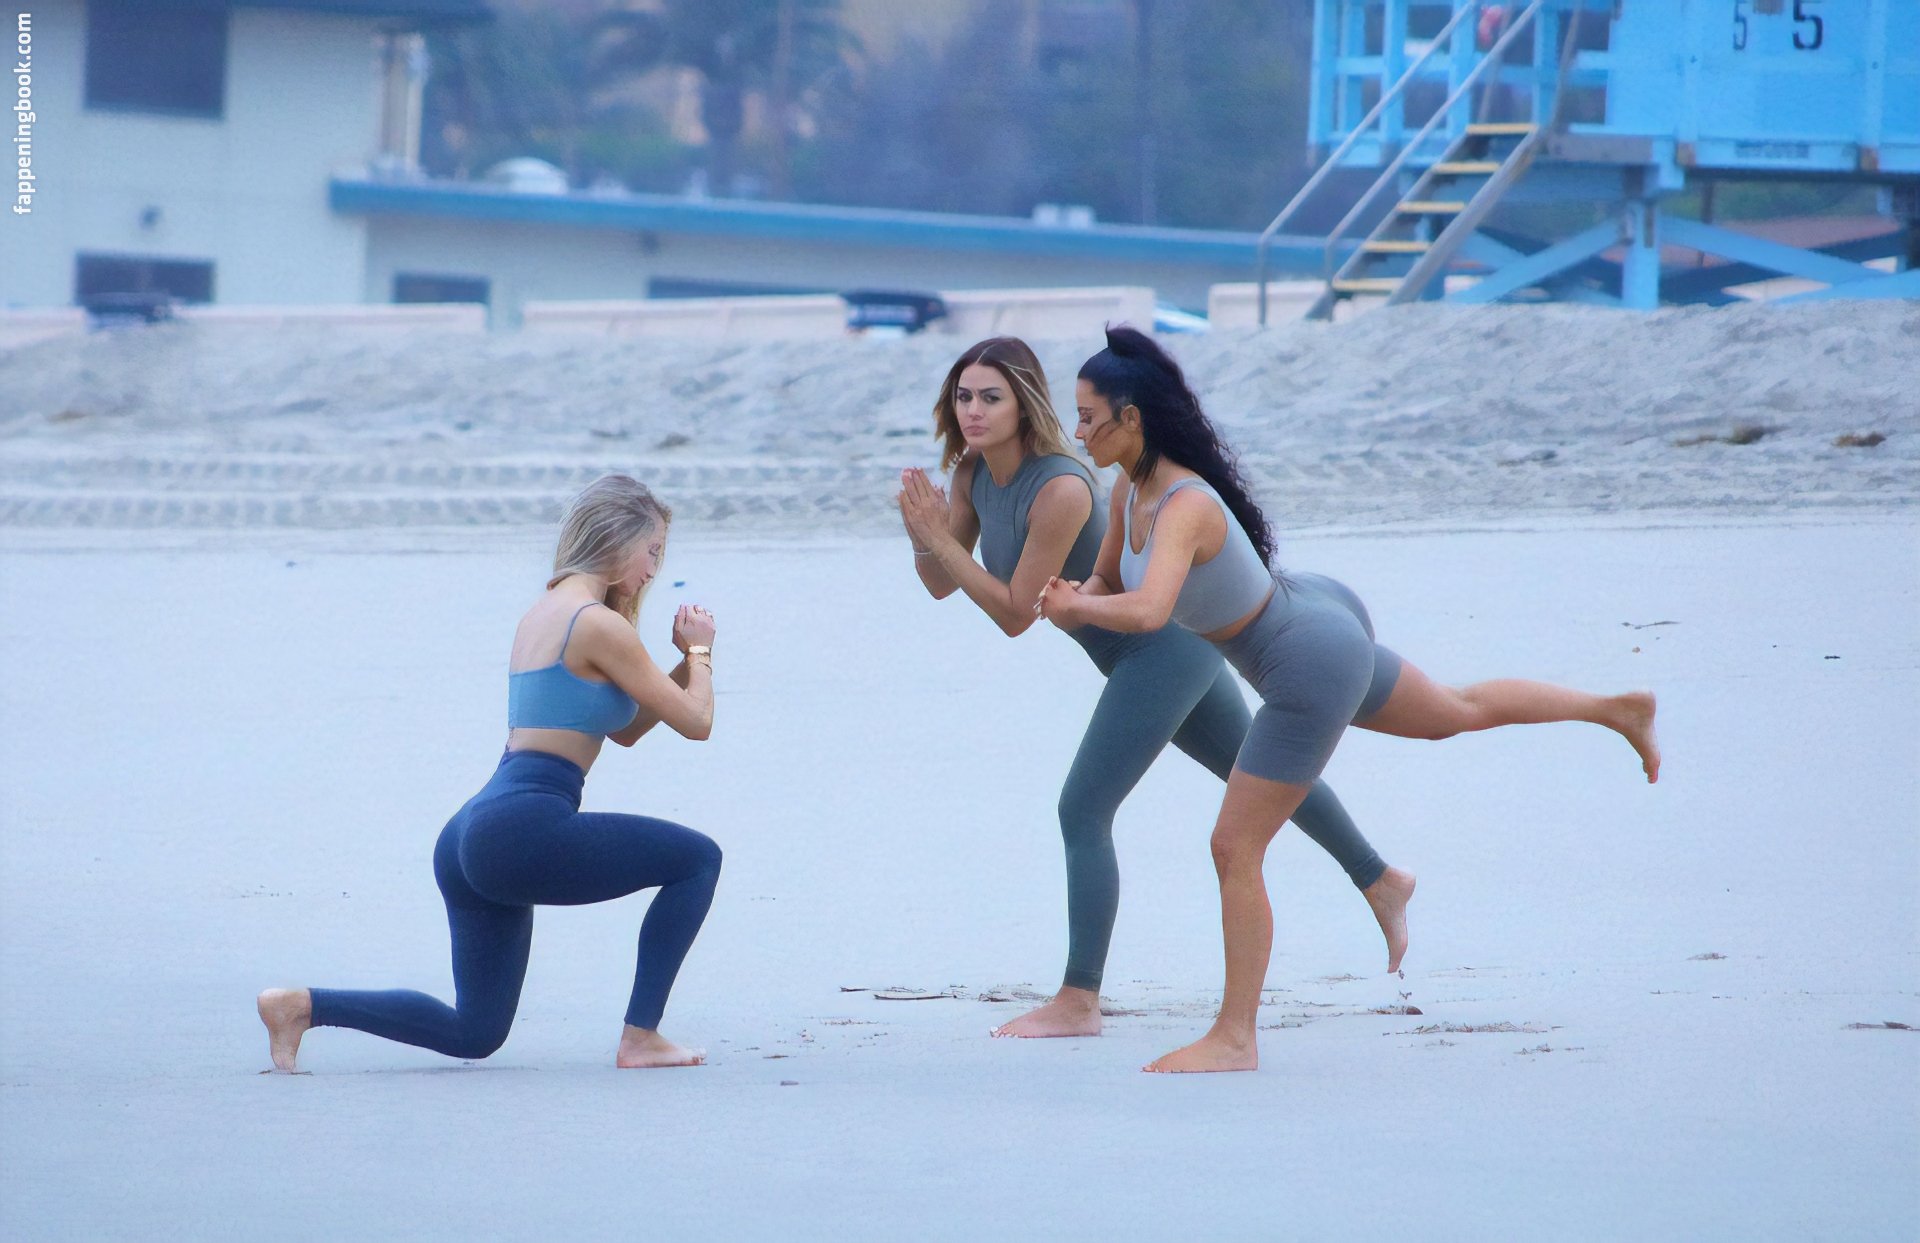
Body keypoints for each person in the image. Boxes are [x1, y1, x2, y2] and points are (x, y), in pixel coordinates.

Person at [1038, 327, 1658, 1074]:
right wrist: (1077, 594)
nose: (1078, 432)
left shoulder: (1183, 504)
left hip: (1305, 661)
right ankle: (1615, 710)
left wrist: (1079, 609)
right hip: (1309, 620)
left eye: (1087, 417)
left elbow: (1148, 610)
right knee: (1454, 711)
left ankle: (1235, 1036)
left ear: (1131, 418)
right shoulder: (1129, 490)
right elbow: (1110, 582)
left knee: (1234, 847)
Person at [897, 337, 1415, 1040]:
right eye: (964, 396)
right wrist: (925, 534)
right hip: (1147, 653)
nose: (974, 410)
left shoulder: (1062, 487)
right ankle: (1380, 878)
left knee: (1083, 808)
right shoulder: (970, 475)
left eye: (992, 397)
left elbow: (1018, 613)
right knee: (1256, 767)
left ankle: (1079, 998)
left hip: (1162, 649)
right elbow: (939, 583)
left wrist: (941, 542)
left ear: (1026, 404)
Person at [256, 475, 724, 1071]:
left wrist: (682, 666)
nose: (654, 569)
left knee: (474, 1031)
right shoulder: (599, 624)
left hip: (471, 834)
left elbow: (627, 729)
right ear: (617, 537)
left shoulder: (545, 614)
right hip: (522, 827)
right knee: (697, 859)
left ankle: (301, 1006)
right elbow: (696, 722)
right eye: (652, 550)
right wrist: (701, 653)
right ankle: (641, 1037)